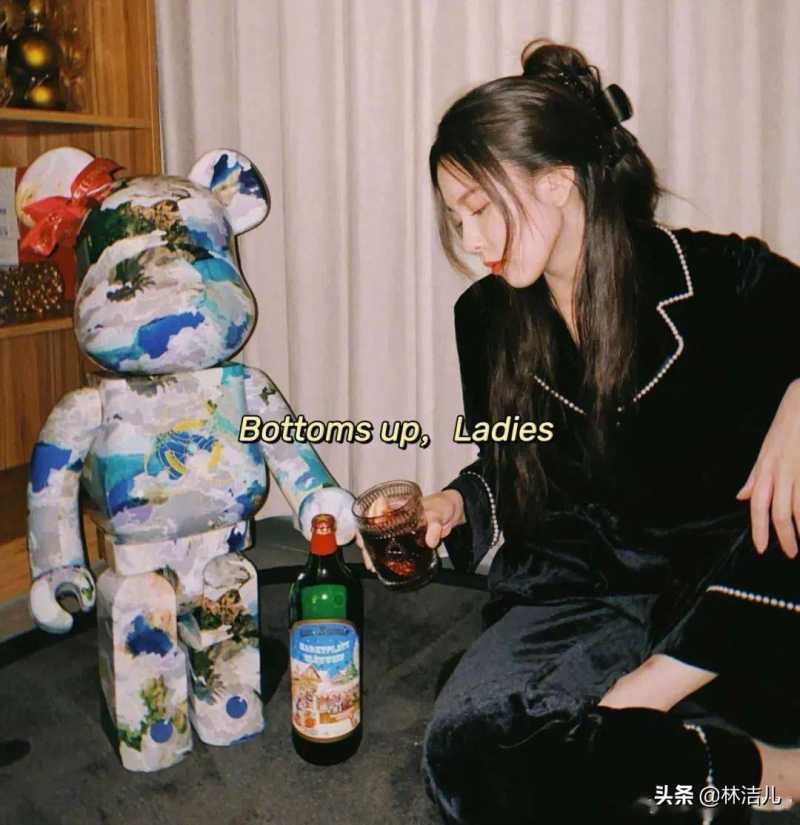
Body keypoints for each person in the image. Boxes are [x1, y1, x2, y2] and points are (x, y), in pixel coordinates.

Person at [359, 38, 800, 824]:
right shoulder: (485, 318)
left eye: (481, 209)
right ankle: (738, 770)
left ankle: (671, 731)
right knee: (467, 759)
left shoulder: (714, 279)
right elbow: (514, 465)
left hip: (724, 595)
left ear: (558, 181)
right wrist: (453, 506)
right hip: (582, 589)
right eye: (457, 219)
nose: (472, 242)